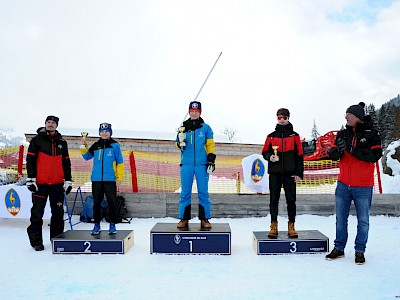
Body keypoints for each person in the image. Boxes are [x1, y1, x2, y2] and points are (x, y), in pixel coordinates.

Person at [325, 102, 382, 265]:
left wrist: (351, 150)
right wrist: (334, 152)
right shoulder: (342, 134)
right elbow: (335, 156)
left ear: (357, 116)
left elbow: (374, 155)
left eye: (348, 114)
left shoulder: (372, 134)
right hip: (343, 184)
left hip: (363, 186)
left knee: (363, 220)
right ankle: (339, 248)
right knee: (340, 218)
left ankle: (360, 251)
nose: (345, 117)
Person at [26, 115, 73, 251]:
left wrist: (68, 180)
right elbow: (30, 160)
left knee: (58, 214)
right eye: (48, 122)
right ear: (45, 124)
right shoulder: (36, 140)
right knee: (37, 214)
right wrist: (31, 179)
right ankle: (36, 242)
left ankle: (56, 240)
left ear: (56, 125)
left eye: (53, 123)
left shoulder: (62, 142)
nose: (50, 124)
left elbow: (66, 163)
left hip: (57, 185)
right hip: (40, 184)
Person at [262, 108, 304, 238]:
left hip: (290, 174)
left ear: (288, 118)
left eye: (284, 118)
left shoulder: (295, 136)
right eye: (279, 118)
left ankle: (291, 225)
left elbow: (299, 156)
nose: (281, 120)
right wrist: (270, 157)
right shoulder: (271, 136)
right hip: (274, 173)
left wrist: (299, 173)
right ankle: (273, 225)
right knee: (273, 200)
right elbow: (264, 152)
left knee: (291, 200)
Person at [176, 101, 216, 229]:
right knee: (185, 192)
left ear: (200, 112)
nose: (194, 113)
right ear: (189, 112)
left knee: (203, 192)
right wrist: (180, 141)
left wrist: (211, 157)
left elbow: (210, 144)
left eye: (196, 111)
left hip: (201, 164)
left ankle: (205, 219)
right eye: (192, 111)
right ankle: (184, 219)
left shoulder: (206, 128)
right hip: (186, 164)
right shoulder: (183, 127)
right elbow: (177, 144)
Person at [81, 122, 124, 235]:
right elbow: (86, 157)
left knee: (112, 203)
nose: (104, 133)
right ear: (99, 133)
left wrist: (119, 178)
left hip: (110, 179)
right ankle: (96, 225)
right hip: (96, 180)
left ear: (110, 132)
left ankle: (112, 225)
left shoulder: (115, 145)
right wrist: (84, 146)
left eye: (106, 131)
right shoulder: (96, 145)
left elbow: (120, 162)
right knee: (96, 203)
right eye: (102, 131)